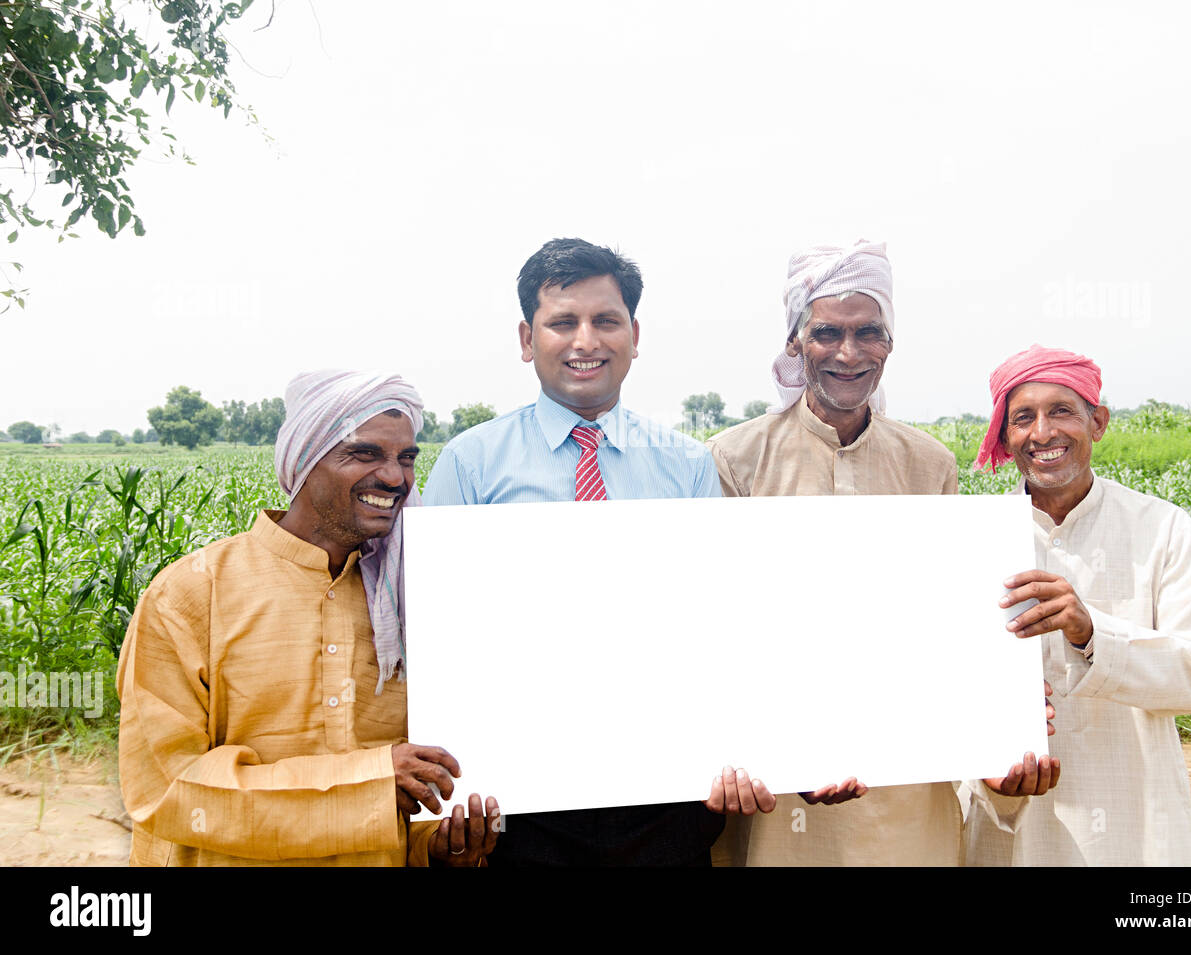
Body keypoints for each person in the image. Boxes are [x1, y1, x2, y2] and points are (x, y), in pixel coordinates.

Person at [423, 237, 804, 865]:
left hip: (663, 793)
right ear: (526, 339)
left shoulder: (685, 465)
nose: (586, 341)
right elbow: (440, 631)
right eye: (562, 322)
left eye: (605, 320)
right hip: (521, 799)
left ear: (634, 332)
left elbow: (716, 621)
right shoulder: (471, 463)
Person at [707, 240, 1059, 865]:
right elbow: (723, 627)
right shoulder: (735, 458)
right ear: (795, 342)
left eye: (868, 332)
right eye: (826, 333)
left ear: (890, 343)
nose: (848, 352)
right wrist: (785, 751)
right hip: (780, 789)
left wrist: (998, 721)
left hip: (907, 788)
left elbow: (953, 624)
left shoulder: (928, 463)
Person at [116, 370, 498, 866]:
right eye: (364, 453)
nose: (394, 477)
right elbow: (167, 790)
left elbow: (421, 785)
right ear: (305, 460)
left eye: (406, 458)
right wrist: (369, 786)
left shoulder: (411, 599)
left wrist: (439, 846)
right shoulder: (191, 594)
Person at [964, 345, 1191, 865]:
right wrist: (988, 765)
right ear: (1004, 437)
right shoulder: (973, 540)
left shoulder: (1164, 529)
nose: (1042, 433)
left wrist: (1090, 632)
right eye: (1022, 418)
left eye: (1061, 410)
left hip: (1135, 819)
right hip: (1011, 816)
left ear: (1097, 421)